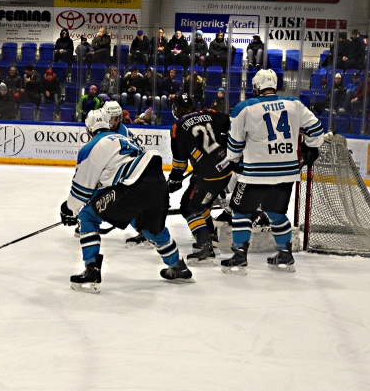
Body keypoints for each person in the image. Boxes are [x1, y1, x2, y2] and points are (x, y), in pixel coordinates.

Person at [59, 105, 194, 293]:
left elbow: (81, 190)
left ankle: (92, 269)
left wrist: (69, 210)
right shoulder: (125, 137)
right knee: (150, 227)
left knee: (88, 216)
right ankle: (178, 266)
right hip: (156, 181)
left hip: (133, 187)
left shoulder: (90, 147)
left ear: (89, 130)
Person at [220, 69, 324, 274]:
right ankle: (285, 253)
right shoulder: (295, 104)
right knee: (276, 212)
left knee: (241, 211)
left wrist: (233, 159)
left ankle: (240, 254)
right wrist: (311, 145)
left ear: (257, 87)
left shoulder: (244, 107)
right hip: (287, 172)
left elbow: (234, 145)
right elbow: (316, 130)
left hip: (255, 172)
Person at [168, 93, 232, 265]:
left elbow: (180, 163)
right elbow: (233, 124)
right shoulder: (210, 113)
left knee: (188, 207)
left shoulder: (178, 126)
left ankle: (205, 247)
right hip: (226, 169)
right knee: (200, 203)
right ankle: (210, 235)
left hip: (208, 175)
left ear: (176, 109)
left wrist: (174, 180)